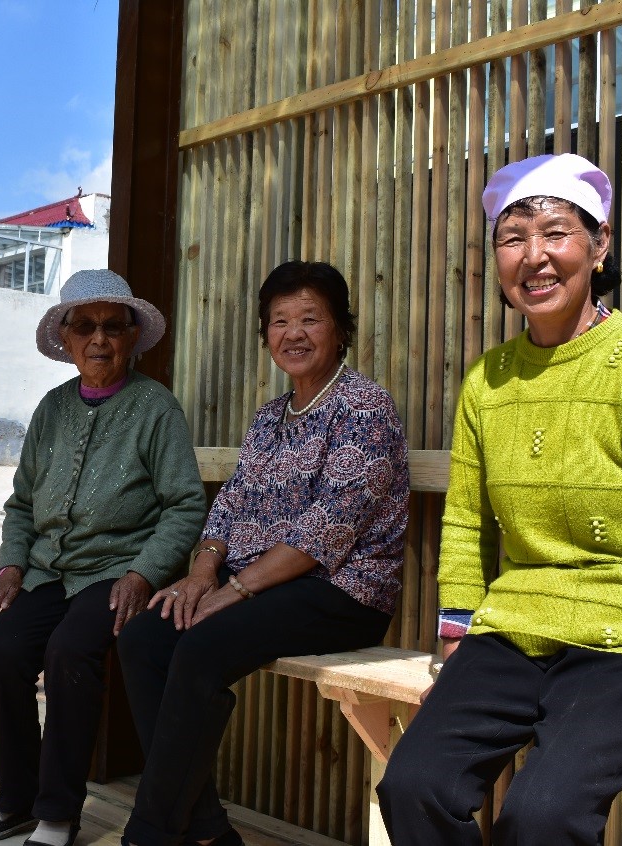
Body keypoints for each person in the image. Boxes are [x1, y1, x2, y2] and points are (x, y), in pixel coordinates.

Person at [375, 154, 622, 845]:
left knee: (542, 817)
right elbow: (466, 526)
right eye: (513, 238)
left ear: (598, 247)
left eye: (556, 233)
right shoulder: (487, 381)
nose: (534, 256)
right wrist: (453, 659)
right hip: (507, 634)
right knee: (412, 785)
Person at [118, 260, 410, 846]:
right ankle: (207, 830)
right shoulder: (270, 417)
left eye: (310, 318)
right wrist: (202, 574)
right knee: (145, 637)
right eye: (279, 320)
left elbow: (326, 532)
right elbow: (230, 505)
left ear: (340, 330)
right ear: (265, 334)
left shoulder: (365, 409)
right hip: (262, 585)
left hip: (340, 592)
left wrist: (232, 590)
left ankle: (149, 834)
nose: (293, 333)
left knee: (201, 645)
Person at [0, 270, 206, 846]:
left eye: (113, 327)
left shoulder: (155, 407)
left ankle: (57, 813)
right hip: (48, 569)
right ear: (66, 339)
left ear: (132, 337)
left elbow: (184, 504)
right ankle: (16, 799)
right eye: (86, 327)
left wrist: (143, 573)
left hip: (116, 569)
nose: (100, 339)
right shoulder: (51, 409)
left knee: (71, 652)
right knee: (0, 652)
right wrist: (12, 568)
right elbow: (22, 503)